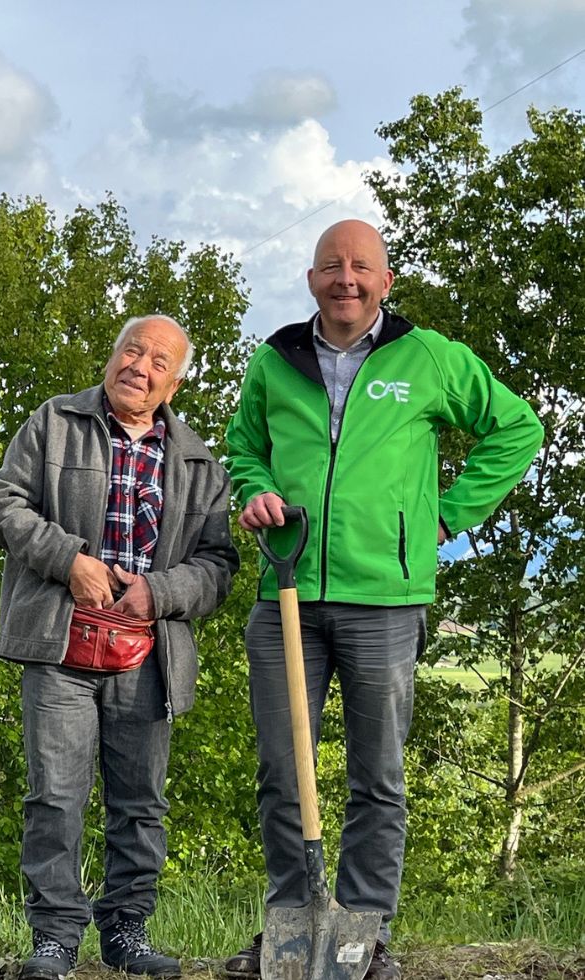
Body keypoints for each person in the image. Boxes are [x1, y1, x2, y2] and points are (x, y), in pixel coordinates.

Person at [222, 219, 543, 980]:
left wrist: (447, 514)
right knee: (281, 771)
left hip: (387, 600)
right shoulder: (275, 360)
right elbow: (244, 445)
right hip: (287, 592)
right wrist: (258, 489)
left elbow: (516, 427)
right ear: (310, 280)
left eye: (362, 267)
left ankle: (362, 937)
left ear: (385, 280)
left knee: (378, 777)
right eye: (331, 266)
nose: (347, 280)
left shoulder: (427, 357)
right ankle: (292, 930)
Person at [0, 315, 239, 979]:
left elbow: (219, 566)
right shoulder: (54, 421)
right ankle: (55, 940)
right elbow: (4, 508)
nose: (139, 366)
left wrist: (160, 592)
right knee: (55, 796)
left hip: (147, 651)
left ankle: (126, 933)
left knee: (140, 804)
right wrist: (70, 560)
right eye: (132, 350)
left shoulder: (197, 461)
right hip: (59, 639)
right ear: (113, 355)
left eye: (158, 360)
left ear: (175, 381)